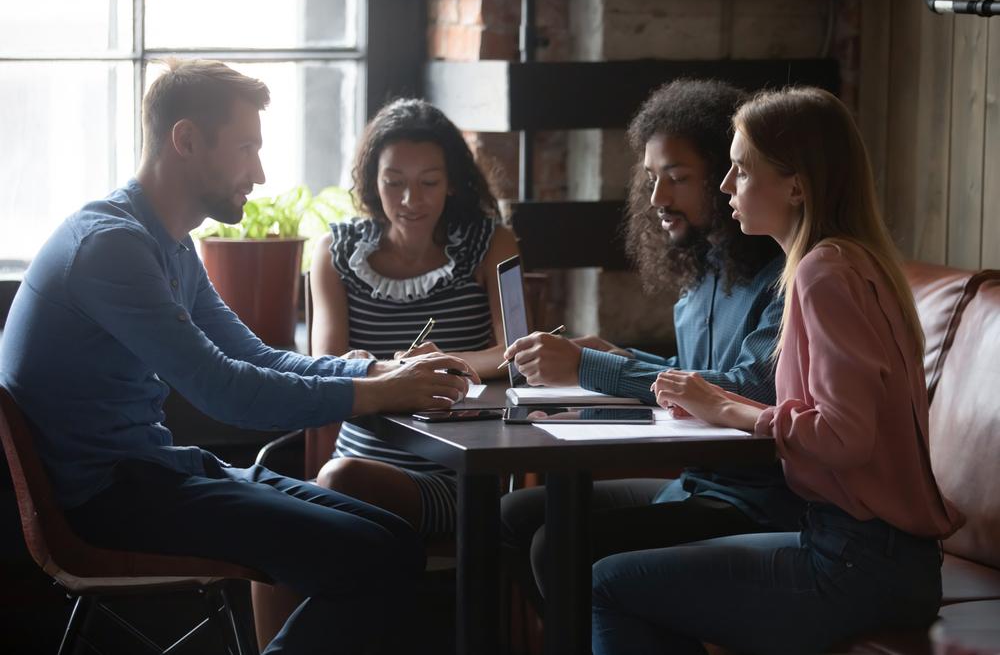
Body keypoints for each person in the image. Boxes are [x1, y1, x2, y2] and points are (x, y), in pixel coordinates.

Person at [0, 59, 476, 655]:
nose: (260, 171)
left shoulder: (166, 243)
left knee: (395, 541)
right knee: (379, 556)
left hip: (157, 473)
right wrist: (381, 392)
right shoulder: (111, 247)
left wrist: (376, 370)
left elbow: (252, 355)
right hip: (108, 501)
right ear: (187, 140)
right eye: (247, 147)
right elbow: (225, 390)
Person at [591, 87, 965, 654]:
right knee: (618, 575)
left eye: (740, 169)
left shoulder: (823, 272)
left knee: (607, 583)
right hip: (868, 552)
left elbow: (844, 438)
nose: (724, 185)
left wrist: (734, 410)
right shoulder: (846, 261)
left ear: (796, 185)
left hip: (857, 563)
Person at [499, 79, 801, 602]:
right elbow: (692, 375)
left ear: (725, 177)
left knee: (556, 544)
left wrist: (591, 370)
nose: (658, 198)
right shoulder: (705, 271)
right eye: (652, 179)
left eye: (678, 178)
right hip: (695, 482)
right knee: (514, 513)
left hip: (753, 501)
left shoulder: (785, 278)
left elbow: (748, 387)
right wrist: (613, 357)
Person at [308, 97, 518, 536]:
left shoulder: (492, 243)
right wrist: (365, 365)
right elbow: (324, 367)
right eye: (394, 182)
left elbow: (518, 353)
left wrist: (434, 365)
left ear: (452, 184)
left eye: (428, 182)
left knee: (336, 490)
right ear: (372, 181)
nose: (410, 200)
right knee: (285, 525)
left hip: (458, 477)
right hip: (356, 460)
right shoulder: (335, 252)